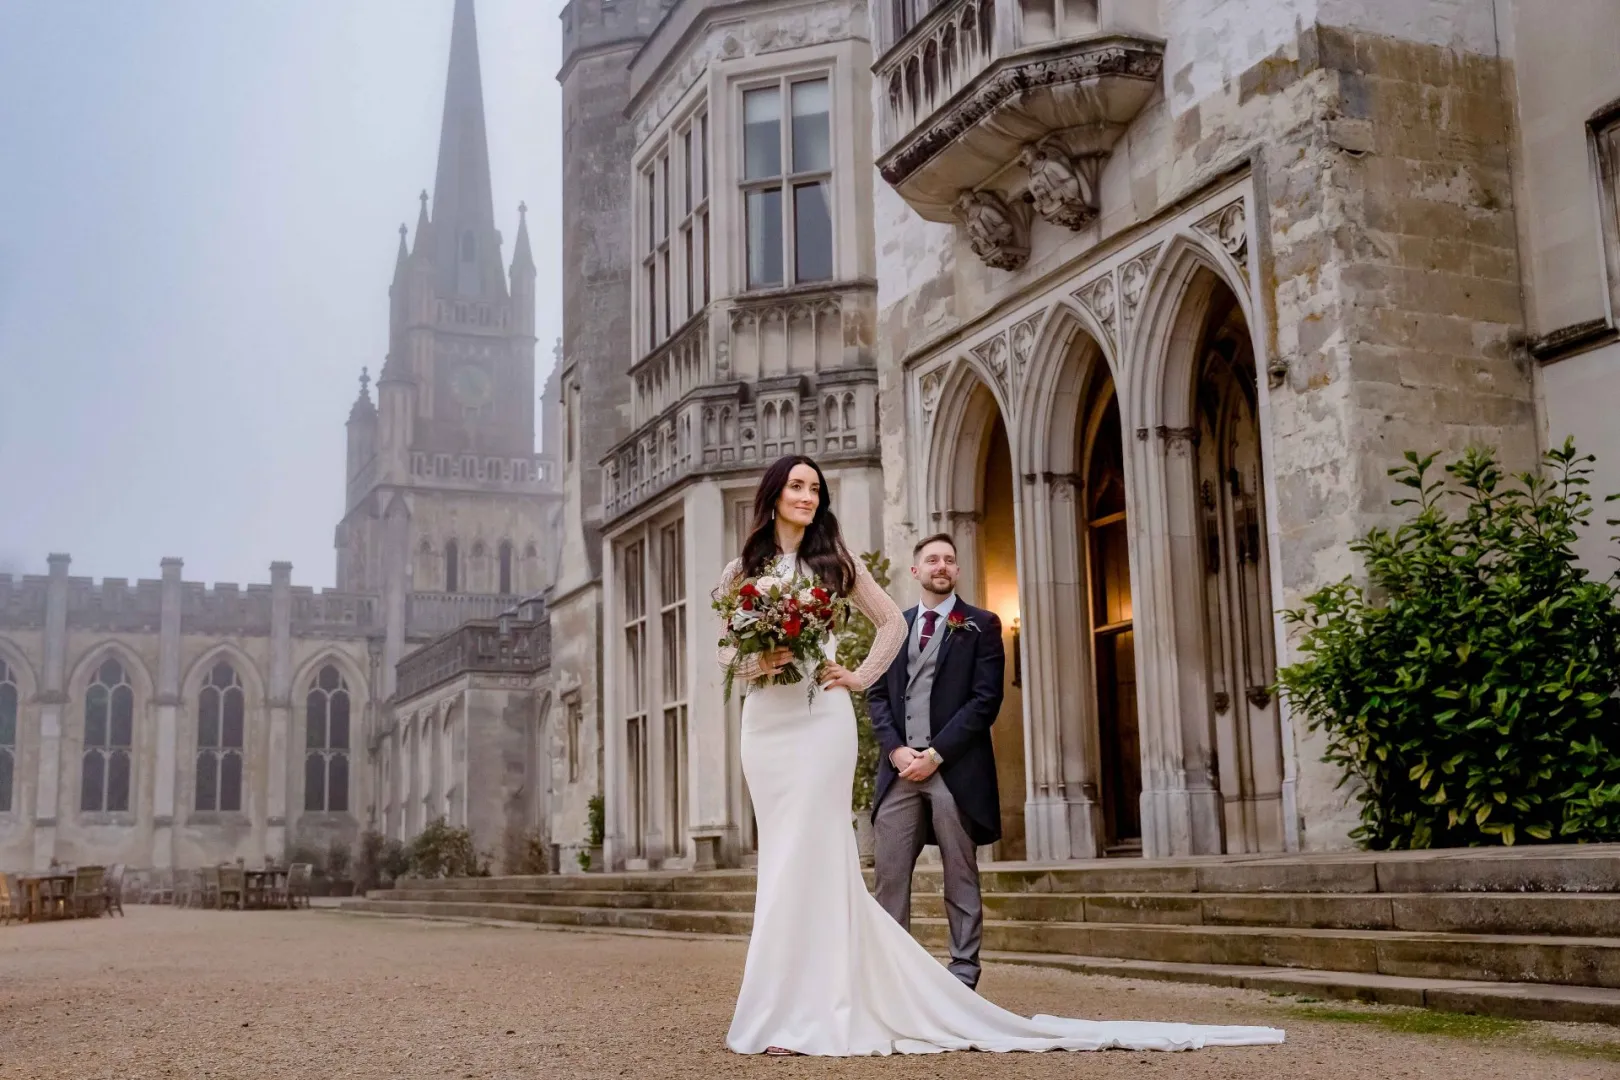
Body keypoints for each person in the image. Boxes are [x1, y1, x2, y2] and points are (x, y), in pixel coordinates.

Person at [720, 454, 1285, 1057]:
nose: (807, 496)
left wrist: (856, 677)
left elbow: (890, 625)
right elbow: (728, 656)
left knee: (821, 856)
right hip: (767, 725)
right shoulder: (741, 569)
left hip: (821, 722)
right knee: (781, 859)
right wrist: (764, 661)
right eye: (797, 486)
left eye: (815, 488)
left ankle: (818, 1012)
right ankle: (777, 1007)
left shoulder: (837, 563)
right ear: (775, 493)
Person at [866, 533, 1000, 991]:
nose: (941, 566)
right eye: (932, 560)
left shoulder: (983, 624)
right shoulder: (894, 628)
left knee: (960, 873)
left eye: (949, 560)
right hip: (900, 770)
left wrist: (936, 754)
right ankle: (892, 976)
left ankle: (963, 974)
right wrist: (896, 749)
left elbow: (985, 702)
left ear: (956, 571)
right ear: (916, 571)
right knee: (888, 876)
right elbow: (877, 696)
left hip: (954, 770)